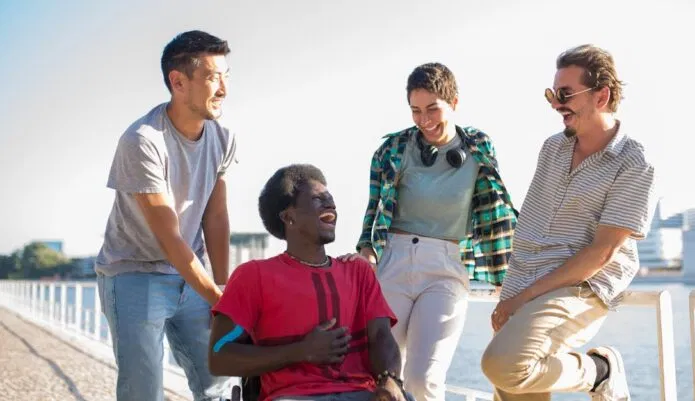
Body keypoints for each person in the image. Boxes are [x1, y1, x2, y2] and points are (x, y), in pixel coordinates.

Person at [480, 44, 657, 401]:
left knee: (504, 365)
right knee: (513, 387)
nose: (556, 105)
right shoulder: (552, 148)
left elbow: (601, 253)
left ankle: (599, 372)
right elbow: (532, 226)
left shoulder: (634, 163)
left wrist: (522, 299)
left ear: (601, 96)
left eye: (565, 94)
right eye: (552, 95)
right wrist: (513, 289)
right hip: (524, 280)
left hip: (579, 286)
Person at [347, 62, 518, 401]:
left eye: (432, 109)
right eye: (415, 110)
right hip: (393, 264)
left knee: (424, 379)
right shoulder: (392, 149)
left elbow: (495, 213)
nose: (424, 119)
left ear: (454, 102)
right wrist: (367, 250)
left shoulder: (479, 147)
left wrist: (507, 279)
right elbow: (373, 212)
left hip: (445, 268)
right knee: (378, 375)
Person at [94, 30, 236, 401]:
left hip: (192, 273)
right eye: (213, 77)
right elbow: (168, 235)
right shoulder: (143, 140)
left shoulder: (223, 137)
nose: (224, 89)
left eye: (227, 76)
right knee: (143, 392)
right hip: (134, 273)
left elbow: (216, 217)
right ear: (178, 82)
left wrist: (222, 289)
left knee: (217, 384)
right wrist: (218, 297)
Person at [208, 164, 411, 401]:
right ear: (289, 217)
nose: (330, 204)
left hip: (362, 394)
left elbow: (381, 336)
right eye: (317, 199)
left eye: (330, 197)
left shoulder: (358, 272)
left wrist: (390, 380)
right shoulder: (253, 276)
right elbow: (219, 356)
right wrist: (301, 351)